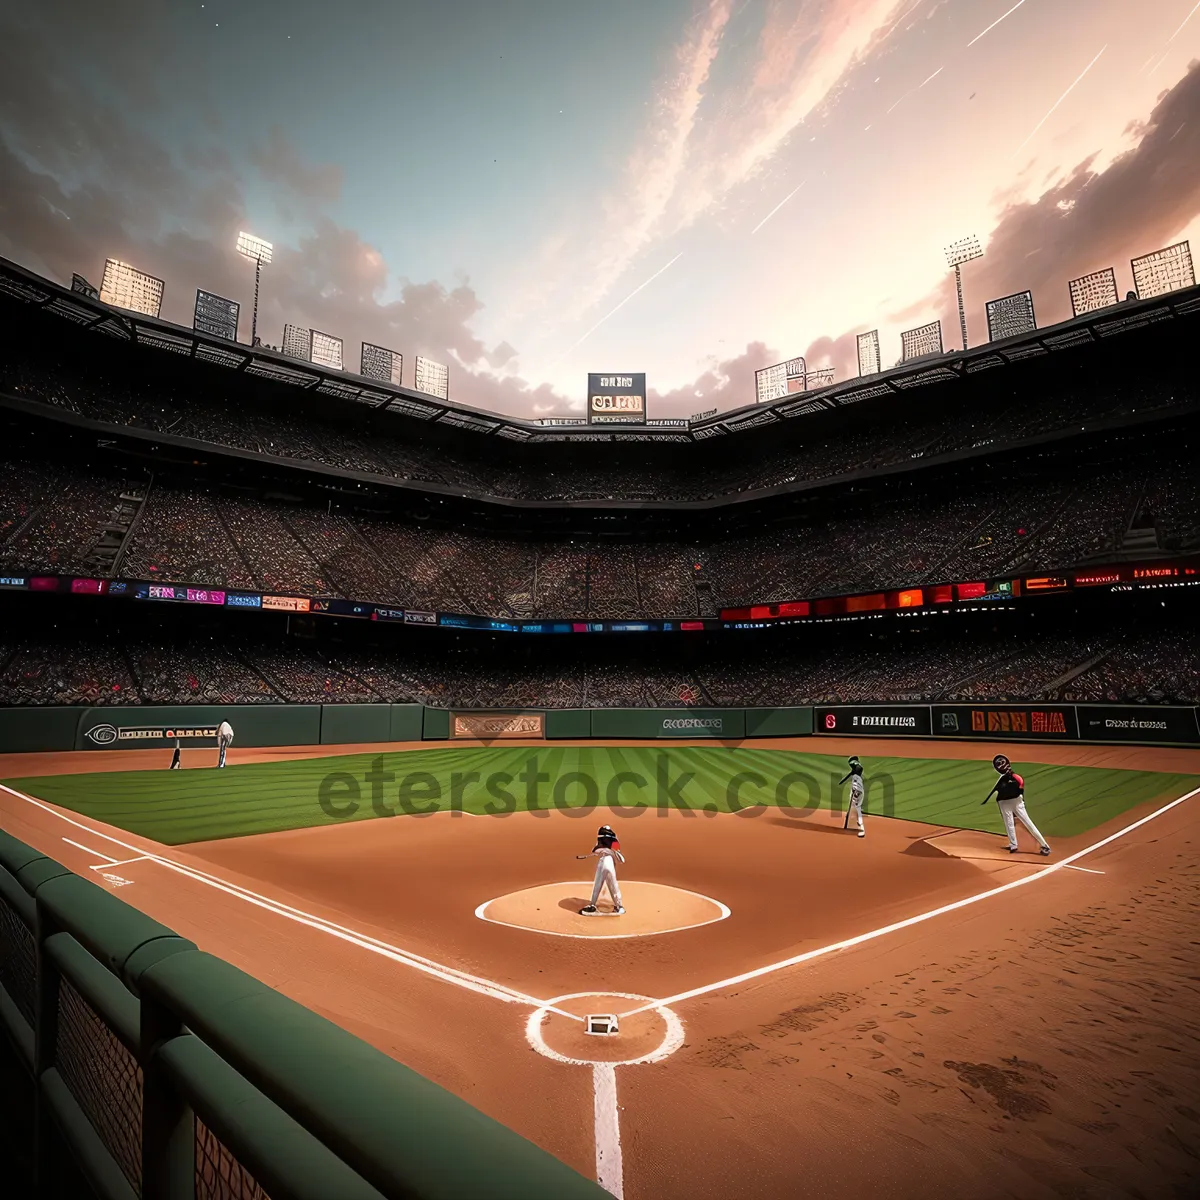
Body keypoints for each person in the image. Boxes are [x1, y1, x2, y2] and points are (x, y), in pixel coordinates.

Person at [982, 754, 1050, 856]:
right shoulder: (1010, 778)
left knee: (1016, 823)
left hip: (1009, 802)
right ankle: (1014, 845)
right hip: (1010, 802)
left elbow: (1016, 787)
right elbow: (1020, 788)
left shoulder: (1008, 779)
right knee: (1018, 823)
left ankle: (1043, 845)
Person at [581, 824, 625, 915]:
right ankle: (617, 906)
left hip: (605, 862)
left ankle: (616, 906)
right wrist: (606, 850)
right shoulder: (612, 845)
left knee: (605, 883)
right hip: (606, 862)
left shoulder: (604, 845)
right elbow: (596, 851)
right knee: (607, 884)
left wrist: (606, 850)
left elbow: (595, 851)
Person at [839, 755, 866, 837]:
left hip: (857, 791)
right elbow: (849, 775)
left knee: (857, 808)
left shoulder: (857, 772)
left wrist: (855, 792)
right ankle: (851, 820)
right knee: (856, 807)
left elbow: (858, 767)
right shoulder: (856, 775)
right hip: (858, 791)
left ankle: (862, 828)